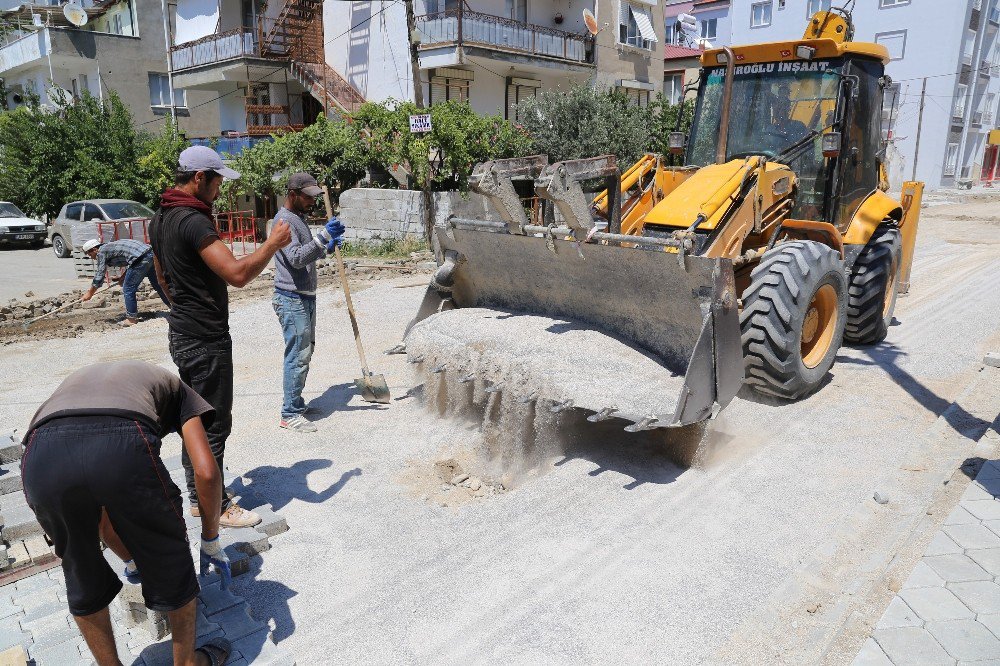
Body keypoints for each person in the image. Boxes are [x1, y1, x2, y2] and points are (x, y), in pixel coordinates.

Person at [21, 360, 233, 666]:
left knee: (81, 571)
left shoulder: (82, 381)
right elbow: (207, 473)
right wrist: (210, 539)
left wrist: (132, 561)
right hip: (121, 439)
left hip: (42, 457)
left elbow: (101, 503)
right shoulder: (182, 393)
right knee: (171, 556)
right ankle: (187, 663)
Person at [149, 145, 292, 529]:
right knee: (213, 423)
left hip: (181, 331)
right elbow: (237, 274)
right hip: (206, 339)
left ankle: (198, 497)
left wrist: (183, 305)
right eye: (216, 182)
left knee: (191, 419)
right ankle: (218, 506)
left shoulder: (160, 217)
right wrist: (272, 244)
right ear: (199, 178)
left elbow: (162, 277)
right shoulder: (193, 221)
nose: (219, 191)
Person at [271, 172, 345, 433]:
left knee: (305, 351)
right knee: (297, 355)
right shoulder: (283, 222)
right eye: (308, 197)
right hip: (291, 298)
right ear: (292, 195)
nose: (312, 202)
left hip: (303, 296)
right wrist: (323, 237)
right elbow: (296, 258)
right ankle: (289, 413)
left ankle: (296, 403)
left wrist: (325, 246)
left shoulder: (297, 218)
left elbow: (308, 252)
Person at [81, 238, 170, 326]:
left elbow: (100, 274)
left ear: (94, 249)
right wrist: (123, 277)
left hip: (140, 258)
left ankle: (131, 319)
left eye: (89, 254)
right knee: (159, 285)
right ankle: (175, 308)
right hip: (149, 253)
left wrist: (90, 293)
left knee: (128, 288)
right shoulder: (109, 247)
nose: (91, 257)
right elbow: (132, 259)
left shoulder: (101, 252)